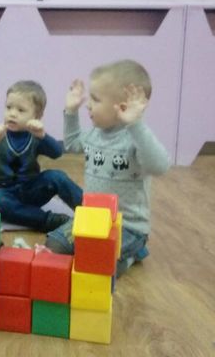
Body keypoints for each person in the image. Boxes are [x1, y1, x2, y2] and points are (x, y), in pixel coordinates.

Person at [45, 59, 170, 277]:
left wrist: (136, 125)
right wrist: (71, 111)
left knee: (98, 264)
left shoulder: (135, 139)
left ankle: (133, 252)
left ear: (122, 107)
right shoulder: (95, 133)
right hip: (91, 219)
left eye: (95, 99)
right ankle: (115, 253)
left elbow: (160, 166)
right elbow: (72, 143)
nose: (88, 105)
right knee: (54, 245)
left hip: (128, 227)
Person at [0, 80, 83, 232]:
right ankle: (48, 220)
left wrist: (43, 135)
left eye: (21, 110)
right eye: (8, 107)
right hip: (2, 192)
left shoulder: (35, 136)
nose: (12, 113)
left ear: (37, 116)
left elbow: (57, 153)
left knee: (57, 176)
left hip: (31, 189)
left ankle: (88, 210)